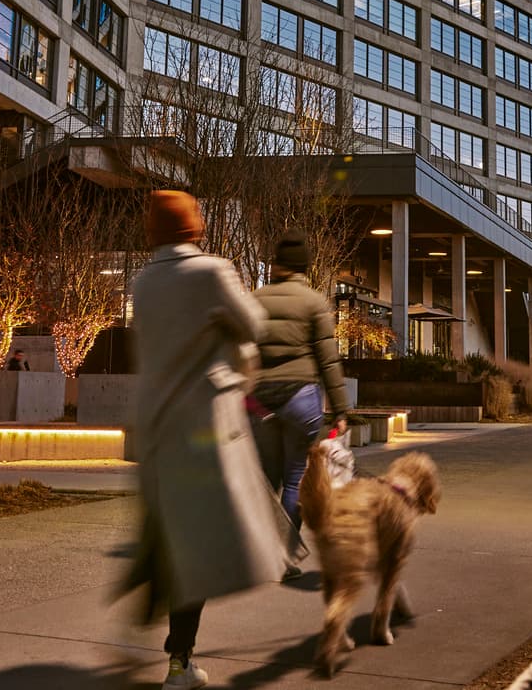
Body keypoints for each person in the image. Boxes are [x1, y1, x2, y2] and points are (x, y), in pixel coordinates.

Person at [122, 191, 289, 690]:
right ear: (194, 226)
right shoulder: (213, 272)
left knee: (170, 538)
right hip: (202, 431)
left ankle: (155, 622)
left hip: (155, 427)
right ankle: (178, 662)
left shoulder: (143, 281)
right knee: (193, 548)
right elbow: (255, 324)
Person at [250, 230, 348, 579]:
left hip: (260, 400)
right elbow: (328, 359)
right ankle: (286, 559)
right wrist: (340, 409)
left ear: (276, 264)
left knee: (265, 479)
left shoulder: (255, 298)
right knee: (294, 480)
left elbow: (243, 353)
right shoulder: (313, 302)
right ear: (304, 266)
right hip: (301, 398)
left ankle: (259, 553)